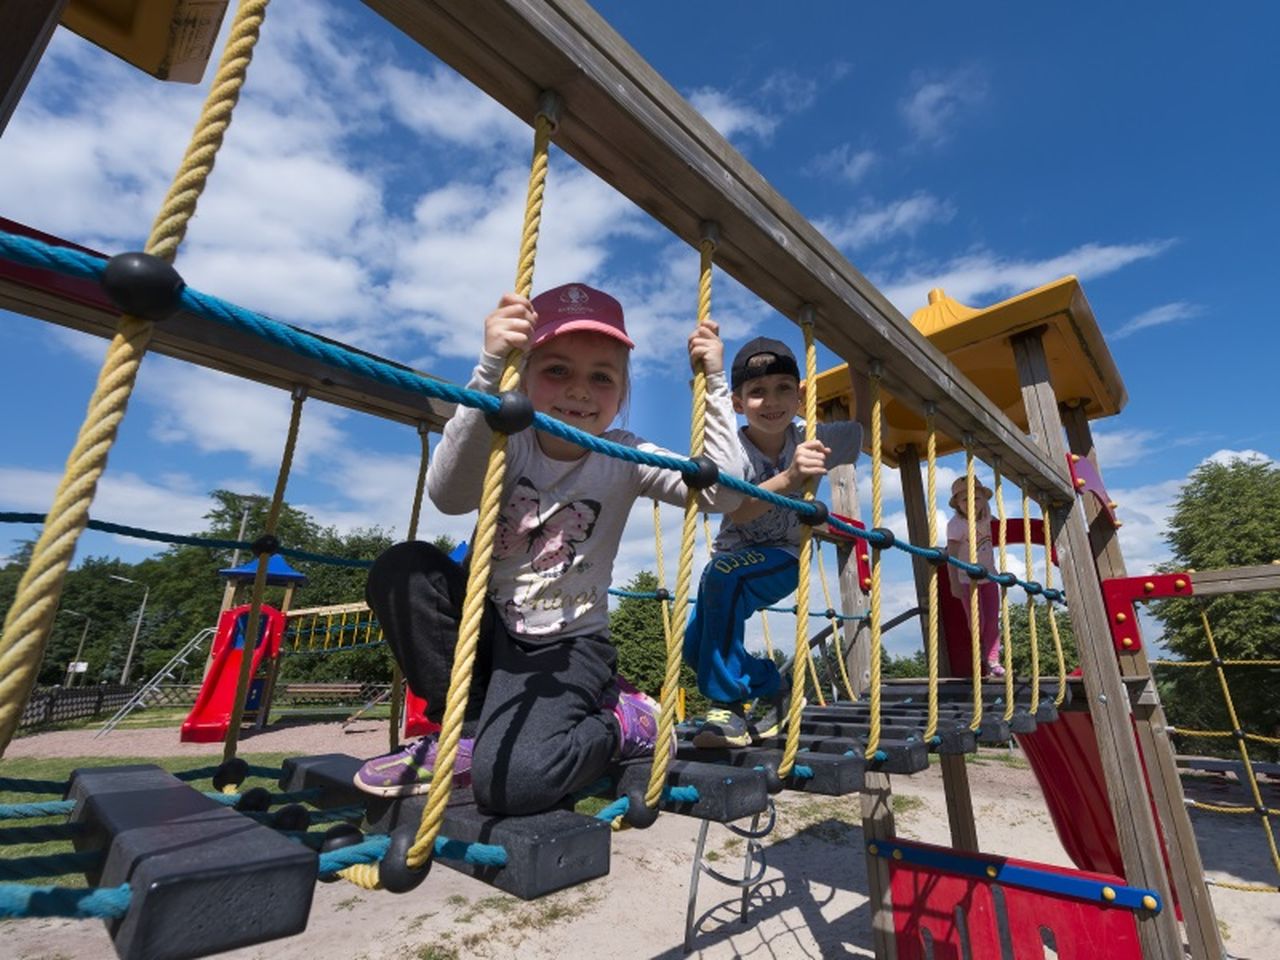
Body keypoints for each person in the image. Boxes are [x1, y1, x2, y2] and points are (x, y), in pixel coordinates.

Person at [353, 282, 745, 815]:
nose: (580, 390)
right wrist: (490, 366)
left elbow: (721, 492)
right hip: (488, 626)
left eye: (601, 377)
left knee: (516, 784)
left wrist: (715, 381)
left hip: (566, 648)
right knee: (404, 569)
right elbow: (449, 495)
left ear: (622, 393)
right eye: (557, 369)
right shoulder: (505, 436)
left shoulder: (626, 455)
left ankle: (625, 723)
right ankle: (464, 732)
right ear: (524, 374)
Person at [683, 337, 870, 749]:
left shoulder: (812, 436)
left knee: (722, 579)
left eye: (784, 387)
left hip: (785, 555)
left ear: (801, 395)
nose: (772, 401)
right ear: (736, 402)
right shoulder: (732, 449)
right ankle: (772, 684)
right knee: (695, 651)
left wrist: (861, 361)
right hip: (735, 556)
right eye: (757, 392)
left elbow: (867, 433)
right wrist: (789, 478)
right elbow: (737, 511)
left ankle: (727, 710)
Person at [945, 476, 1004, 678]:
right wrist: (953, 582)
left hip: (989, 577)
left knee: (992, 621)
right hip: (966, 580)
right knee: (977, 621)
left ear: (984, 500)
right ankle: (982, 652)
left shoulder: (988, 518)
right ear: (957, 504)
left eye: (977, 498)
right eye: (965, 500)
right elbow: (950, 556)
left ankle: (993, 659)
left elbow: (1005, 530)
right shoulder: (956, 525)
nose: (972, 503)